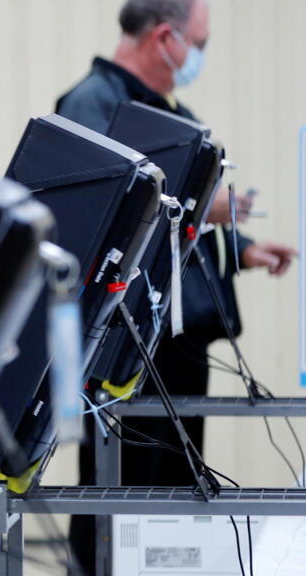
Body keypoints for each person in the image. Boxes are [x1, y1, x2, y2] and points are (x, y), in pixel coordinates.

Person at [55, 1, 296, 572]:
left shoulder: (171, 109)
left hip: (178, 336)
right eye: (200, 42)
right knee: (123, 490)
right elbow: (106, 212)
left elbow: (182, 228)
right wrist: (201, 204)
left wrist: (242, 247)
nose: (201, 55)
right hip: (129, 342)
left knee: (178, 492)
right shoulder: (92, 103)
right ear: (165, 37)